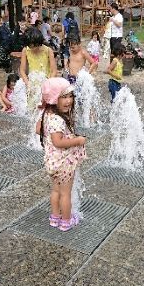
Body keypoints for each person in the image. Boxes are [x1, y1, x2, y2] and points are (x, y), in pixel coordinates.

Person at [38, 77, 86, 231]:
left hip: (52, 161)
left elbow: (37, 129)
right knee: (66, 194)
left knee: (56, 191)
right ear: (53, 98)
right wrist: (78, 140)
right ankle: (66, 221)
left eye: (70, 96)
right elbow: (58, 142)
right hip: (63, 163)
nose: (69, 100)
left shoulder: (46, 114)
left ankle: (54, 217)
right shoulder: (57, 119)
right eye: (63, 97)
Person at [19, 27, 57, 109]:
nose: (32, 49)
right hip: (32, 83)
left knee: (45, 108)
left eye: (34, 46)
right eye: (30, 46)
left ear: (39, 42)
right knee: (32, 108)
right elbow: (22, 70)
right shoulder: (26, 50)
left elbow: (54, 71)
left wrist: (47, 84)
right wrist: (28, 83)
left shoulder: (48, 50)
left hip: (46, 82)